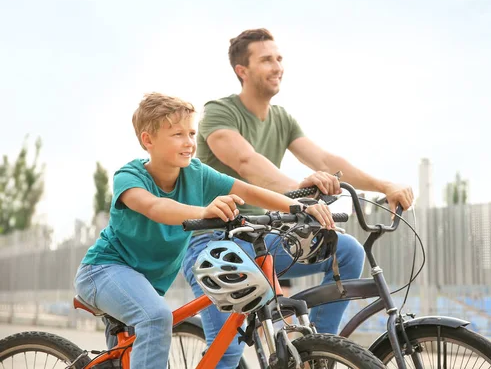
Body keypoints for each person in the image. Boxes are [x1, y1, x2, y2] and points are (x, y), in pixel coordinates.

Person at [182, 28, 415, 368]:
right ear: (241, 71)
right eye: (266, 60)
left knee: (346, 249)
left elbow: (325, 161)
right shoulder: (219, 113)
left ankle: (316, 353)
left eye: (279, 58)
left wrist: (385, 185)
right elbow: (247, 163)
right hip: (216, 240)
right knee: (228, 352)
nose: (277, 66)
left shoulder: (282, 119)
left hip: (259, 235)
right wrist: (299, 197)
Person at [74, 92, 334, 369]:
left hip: (145, 283)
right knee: (156, 318)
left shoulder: (196, 173)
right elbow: (154, 207)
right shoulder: (130, 176)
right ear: (147, 140)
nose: (189, 143)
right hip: (102, 271)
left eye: (191, 133)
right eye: (177, 135)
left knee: (138, 340)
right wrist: (203, 211)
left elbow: (246, 190)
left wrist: (298, 207)